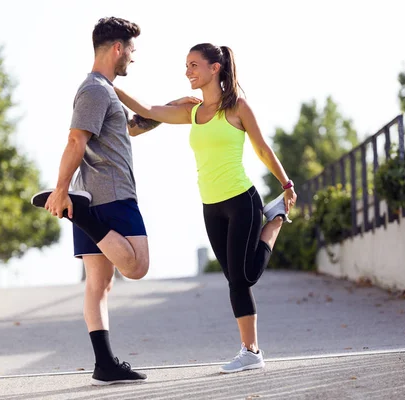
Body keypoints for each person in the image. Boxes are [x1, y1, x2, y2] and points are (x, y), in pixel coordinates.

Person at [31, 17, 197, 386]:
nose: (133, 59)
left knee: (99, 285)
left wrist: (170, 107)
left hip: (95, 196)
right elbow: (76, 140)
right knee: (137, 267)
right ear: (118, 49)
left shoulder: (104, 92)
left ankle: (103, 364)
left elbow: (131, 128)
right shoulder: (95, 90)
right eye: (132, 51)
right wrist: (60, 191)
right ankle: (83, 216)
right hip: (110, 196)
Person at [114, 43, 297, 373]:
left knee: (238, 282)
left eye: (194, 65)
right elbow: (149, 109)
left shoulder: (238, 108)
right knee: (242, 275)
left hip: (241, 200)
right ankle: (275, 222)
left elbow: (263, 149)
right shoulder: (193, 112)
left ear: (215, 68)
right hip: (210, 206)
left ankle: (251, 351)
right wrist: (109, 84)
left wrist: (286, 184)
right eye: (186, 66)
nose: (188, 72)